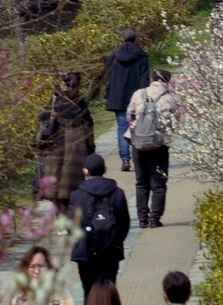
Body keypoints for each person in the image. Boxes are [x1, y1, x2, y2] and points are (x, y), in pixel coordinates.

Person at [67, 152, 131, 300]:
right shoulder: (117, 193)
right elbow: (124, 224)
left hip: (85, 252)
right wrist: (115, 240)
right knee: (109, 294)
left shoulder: (77, 195)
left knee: (89, 294)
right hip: (111, 251)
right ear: (105, 169)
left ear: (85, 171)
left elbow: (71, 224)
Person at [36, 71, 96, 214]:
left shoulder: (53, 103)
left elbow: (40, 130)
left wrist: (38, 150)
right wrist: (91, 151)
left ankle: (62, 222)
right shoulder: (80, 105)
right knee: (72, 193)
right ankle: (70, 222)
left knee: (56, 193)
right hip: (76, 155)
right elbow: (89, 131)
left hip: (54, 154)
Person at [126, 67, 178, 228]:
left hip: (139, 143)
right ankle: (155, 218)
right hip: (159, 143)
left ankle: (142, 218)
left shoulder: (139, 93)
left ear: (152, 79)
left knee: (141, 183)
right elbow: (177, 120)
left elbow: (129, 115)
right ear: (167, 81)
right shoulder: (170, 98)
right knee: (159, 183)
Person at [104, 25, 150, 173]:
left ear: (122, 38)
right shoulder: (142, 56)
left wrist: (108, 93)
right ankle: (139, 157)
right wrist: (145, 96)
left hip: (117, 97)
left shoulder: (114, 55)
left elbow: (108, 77)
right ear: (135, 39)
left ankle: (125, 158)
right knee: (137, 127)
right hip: (136, 97)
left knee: (122, 127)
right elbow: (144, 79)